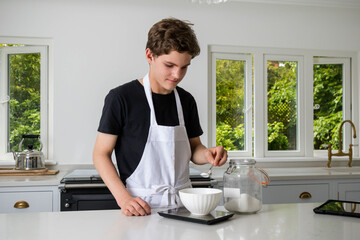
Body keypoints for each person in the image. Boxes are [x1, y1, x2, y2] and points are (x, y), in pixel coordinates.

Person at [93, 18, 227, 217]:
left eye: (184, 67)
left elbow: (194, 149)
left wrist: (207, 154)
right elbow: (100, 154)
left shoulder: (186, 100)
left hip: (185, 208)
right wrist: (124, 199)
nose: (177, 75)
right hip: (140, 209)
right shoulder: (121, 98)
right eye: (170, 65)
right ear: (150, 55)